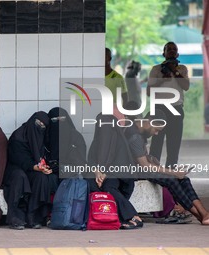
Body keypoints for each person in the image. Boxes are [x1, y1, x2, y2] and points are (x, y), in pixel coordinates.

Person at [124, 110, 209, 225]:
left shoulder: (140, 133)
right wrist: (173, 173)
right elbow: (145, 166)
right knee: (172, 180)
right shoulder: (134, 136)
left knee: (183, 179)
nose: (156, 134)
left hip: (141, 169)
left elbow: (143, 158)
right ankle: (199, 214)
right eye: (157, 130)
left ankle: (203, 213)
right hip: (133, 173)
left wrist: (153, 159)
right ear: (149, 122)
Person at [3, 111, 58, 230]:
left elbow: (44, 156)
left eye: (44, 126)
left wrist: (44, 167)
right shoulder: (18, 136)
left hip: (34, 169)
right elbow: (18, 159)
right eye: (38, 123)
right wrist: (35, 167)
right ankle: (15, 218)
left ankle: (33, 216)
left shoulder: (43, 136)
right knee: (20, 177)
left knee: (42, 178)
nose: (41, 127)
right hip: (16, 169)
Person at [88, 113, 143, 229]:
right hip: (105, 176)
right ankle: (103, 216)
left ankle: (134, 217)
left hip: (122, 180)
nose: (104, 130)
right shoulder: (97, 142)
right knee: (89, 184)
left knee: (109, 187)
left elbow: (120, 166)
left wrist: (105, 173)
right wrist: (98, 172)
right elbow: (91, 160)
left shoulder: (120, 142)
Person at [147, 41, 190, 169]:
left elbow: (186, 86)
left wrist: (174, 71)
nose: (171, 51)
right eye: (168, 49)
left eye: (174, 49)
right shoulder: (156, 69)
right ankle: (154, 173)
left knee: (174, 144)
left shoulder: (182, 69)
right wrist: (161, 80)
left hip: (176, 109)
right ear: (163, 53)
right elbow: (149, 91)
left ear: (177, 54)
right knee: (156, 143)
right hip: (159, 110)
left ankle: (171, 174)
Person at [45, 107, 87, 178]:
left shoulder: (75, 136)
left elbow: (81, 159)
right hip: (49, 170)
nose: (59, 123)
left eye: (62, 119)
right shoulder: (46, 136)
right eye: (54, 120)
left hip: (71, 170)